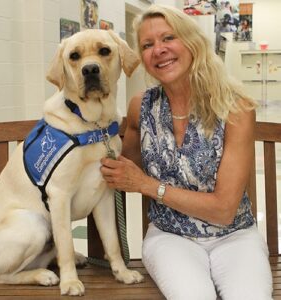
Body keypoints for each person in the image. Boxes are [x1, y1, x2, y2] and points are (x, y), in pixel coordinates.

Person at [100, 4, 273, 300]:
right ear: (142, 58)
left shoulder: (235, 107)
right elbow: (121, 172)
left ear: (192, 42)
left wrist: (147, 185)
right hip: (170, 237)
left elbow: (223, 209)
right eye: (147, 45)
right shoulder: (140, 107)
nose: (159, 50)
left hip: (235, 235)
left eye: (169, 38)